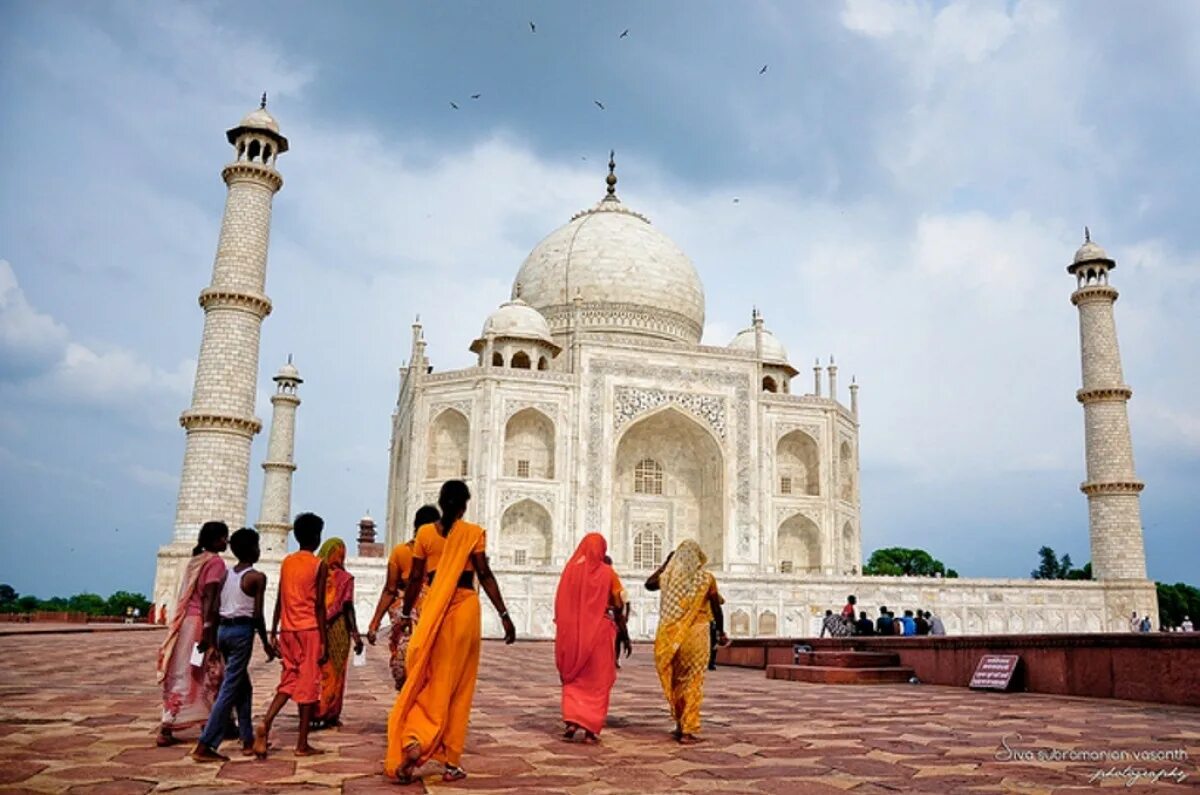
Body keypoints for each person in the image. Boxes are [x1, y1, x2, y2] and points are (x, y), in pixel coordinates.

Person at [385, 480, 516, 784]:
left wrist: (406, 614)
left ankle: (416, 736)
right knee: (459, 687)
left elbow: (416, 578)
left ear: (442, 503)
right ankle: (450, 762)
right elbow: (483, 574)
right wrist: (504, 615)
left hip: (434, 610)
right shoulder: (472, 534)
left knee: (429, 676)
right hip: (465, 610)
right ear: (463, 506)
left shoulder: (425, 534)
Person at [192, 527, 273, 762]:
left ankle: (247, 739)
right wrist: (266, 643)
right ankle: (205, 744)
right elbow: (258, 615)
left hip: (224, 631)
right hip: (241, 632)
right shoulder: (256, 577)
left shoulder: (226, 574)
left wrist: (212, 637)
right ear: (253, 550)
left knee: (242, 687)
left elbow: (215, 606)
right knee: (229, 689)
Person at [254, 512, 329, 758]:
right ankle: (302, 744)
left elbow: (279, 599)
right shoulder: (319, 564)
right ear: (317, 537)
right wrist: (325, 641)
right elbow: (319, 605)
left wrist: (274, 630)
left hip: (288, 630)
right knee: (308, 687)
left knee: (289, 681)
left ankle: (266, 721)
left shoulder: (287, 561)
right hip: (309, 630)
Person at [645, 539, 728, 745]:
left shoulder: (669, 579)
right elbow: (717, 607)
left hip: (672, 636)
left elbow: (648, 584)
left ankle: (680, 725)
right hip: (697, 635)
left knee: (678, 680)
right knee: (693, 680)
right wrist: (721, 631)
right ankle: (687, 730)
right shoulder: (706, 579)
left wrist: (666, 564)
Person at [155, 521, 229, 748]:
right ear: (216, 540)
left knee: (183, 672)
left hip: (186, 622)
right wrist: (208, 629)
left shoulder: (195, 561)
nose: (226, 542)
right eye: (224, 538)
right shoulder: (215, 562)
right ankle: (207, 724)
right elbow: (209, 596)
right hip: (199, 624)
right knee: (205, 672)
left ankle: (170, 724)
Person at [555, 533, 631, 744]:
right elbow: (618, 600)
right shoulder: (608, 573)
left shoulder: (570, 571)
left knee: (574, 676)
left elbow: (561, 601)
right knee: (598, 680)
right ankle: (590, 729)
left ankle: (572, 721)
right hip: (599, 632)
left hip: (572, 632)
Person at [367, 505, 440, 690]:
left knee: (406, 664)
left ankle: (407, 708)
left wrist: (375, 623)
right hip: (431, 615)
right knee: (429, 667)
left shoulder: (401, 552)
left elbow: (390, 590)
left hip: (406, 617)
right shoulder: (442, 553)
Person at [313, 538, 363, 730]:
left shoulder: (317, 575)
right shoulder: (344, 578)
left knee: (321, 669)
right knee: (337, 670)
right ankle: (330, 712)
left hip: (317, 626)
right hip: (339, 628)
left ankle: (315, 709)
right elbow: (348, 607)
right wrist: (356, 634)